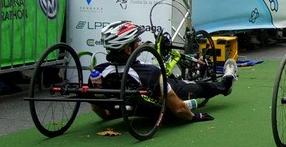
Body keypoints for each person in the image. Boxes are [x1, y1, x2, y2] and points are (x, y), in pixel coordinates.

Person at [89, 20, 235, 123]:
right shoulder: (150, 73)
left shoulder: (98, 72)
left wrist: (108, 115)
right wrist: (194, 117)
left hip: (136, 108)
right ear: (128, 49)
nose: (140, 43)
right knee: (198, 86)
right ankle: (226, 83)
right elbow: (178, 109)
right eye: (137, 41)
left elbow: (96, 105)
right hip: (168, 99)